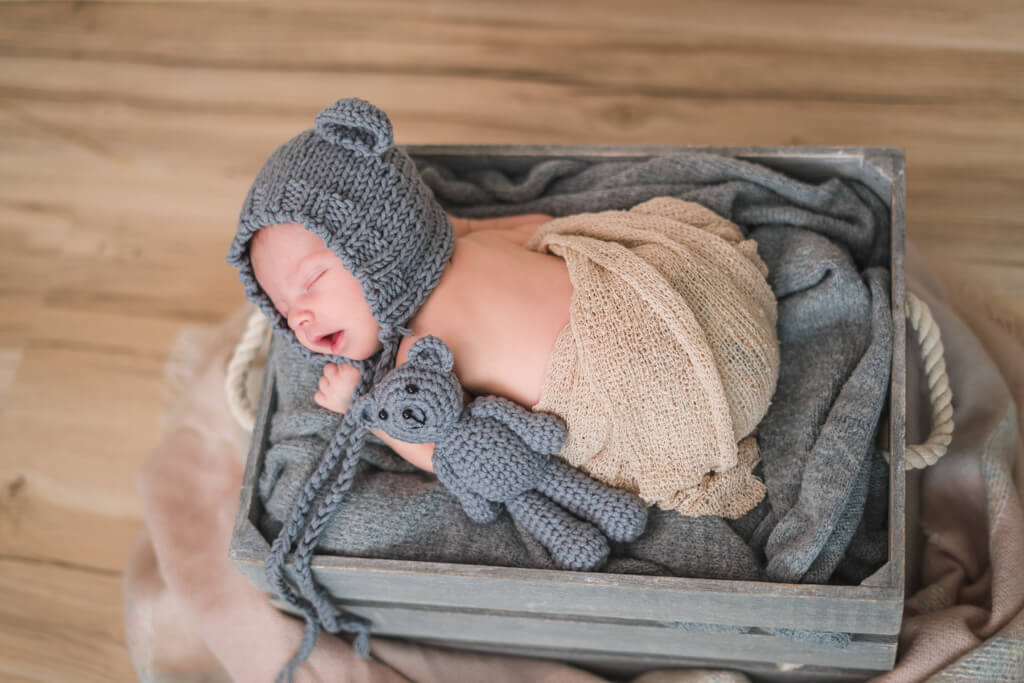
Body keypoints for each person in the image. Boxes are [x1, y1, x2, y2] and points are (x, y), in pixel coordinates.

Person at [229, 97, 779, 518]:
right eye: (279, 306)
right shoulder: (476, 246)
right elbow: (536, 226)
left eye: (313, 281)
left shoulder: (421, 358)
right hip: (710, 308)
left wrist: (365, 412)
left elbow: (448, 451)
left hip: (658, 392)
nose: (296, 317)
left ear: (378, 241)